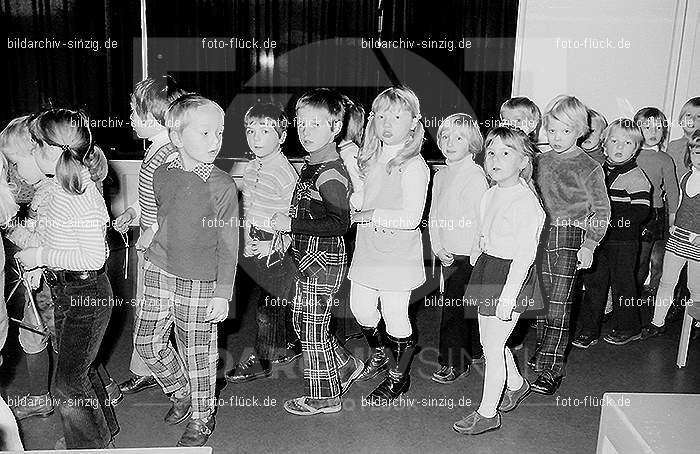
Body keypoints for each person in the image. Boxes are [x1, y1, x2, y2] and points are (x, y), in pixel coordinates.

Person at [133, 94, 238, 446]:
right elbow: (165, 215)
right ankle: (181, 390)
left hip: (199, 280)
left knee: (198, 353)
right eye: (205, 133)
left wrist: (223, 293)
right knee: (146, 343)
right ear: (176, 137)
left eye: (219, 132)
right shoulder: (162, 173)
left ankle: (202, 415)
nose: (215, 141)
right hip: (158, 268)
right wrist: (151, 235)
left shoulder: (222, 185)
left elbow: (229, 243)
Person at [15, 108, 118, 449]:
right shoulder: (57, 189)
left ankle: (88, 446)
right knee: (79, 371)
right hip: (67, 291)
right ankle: (100, 433)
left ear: (54, 151)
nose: (32, 152)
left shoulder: (80, 196)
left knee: (67, 381)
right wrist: (37, 262)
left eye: (36, 145)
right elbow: (54, 238)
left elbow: (94, 257)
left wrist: (41, 257)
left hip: (87, 292)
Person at [271, 88, 363, 416]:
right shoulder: (312, 164)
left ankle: (324, 396)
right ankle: (344, 364)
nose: (305, 131)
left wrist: (291, 224)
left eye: (315, 124)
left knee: (312, 330)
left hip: (323, 261)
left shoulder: (330, 172)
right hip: (306, 258)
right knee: (305, 323)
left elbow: (339, 223)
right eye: (301, 123)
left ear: (335, 127)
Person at [453, 126, 544, 435]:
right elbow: (483, 229)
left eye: (506, 153)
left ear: (524, 161)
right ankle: (516, 385)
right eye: (491, 152)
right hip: (489, 270)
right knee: (490, 341)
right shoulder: (491, 193)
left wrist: (508, 297)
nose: (495, 159)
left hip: (512, 277)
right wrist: (477, 249)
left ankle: (487, 413)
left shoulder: (527, 203)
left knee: (492, 348)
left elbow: (525, 255)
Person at [347, 86, 430, 404]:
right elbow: (364, 197)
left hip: (398, 255)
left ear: (413, 122)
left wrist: (370, 214)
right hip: (368, 249)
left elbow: (411, 218)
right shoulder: (371, 157)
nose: (387, 123)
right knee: (361, 309)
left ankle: (399, 377)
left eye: (397, 116)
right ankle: (381, 353)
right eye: (381, 116)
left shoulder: (414, 165)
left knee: (395, 315)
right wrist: (351, 199)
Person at [530, 96, 610, 395]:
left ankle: (552, 369)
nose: (556, 137)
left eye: (565, 131)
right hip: (540, 235)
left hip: (570, 237)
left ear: (580, 131)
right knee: (540, 302)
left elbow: (602, 210)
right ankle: (543, 354)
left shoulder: (589, 166)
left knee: (559, 306)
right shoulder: (541, 161)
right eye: (551, 130)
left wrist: (590, 244)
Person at [113, 75, 186, 395]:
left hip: (164, 245)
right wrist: (133, 213)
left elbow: (177, 205)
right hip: (150, 241)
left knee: (159, 311)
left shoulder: (170, 154)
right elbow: (150, 197)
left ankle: (174, 373)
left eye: (134, 111)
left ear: (154, 117)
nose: (129, 117)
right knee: (146, 307)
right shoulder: (155, 149)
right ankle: (146, 368)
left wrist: (152, 230)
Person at [225, 103, 301, 383]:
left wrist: (276, 245)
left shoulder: (284, 173)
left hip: (276, 246)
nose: (256, 138)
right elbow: (248, 207)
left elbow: (296, 218)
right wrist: (246, 238)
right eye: (250, 131)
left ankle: (262, 359)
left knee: (267, 307)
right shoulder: (251, 167)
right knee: (275, 301)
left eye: (265, 131)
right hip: (255, 241)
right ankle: (286, 345)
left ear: (282, 136)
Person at [574, 119, 651, 348]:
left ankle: (629, 327)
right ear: (604, 145)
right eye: (614, 141)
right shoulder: (597, 171)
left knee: (623, 285)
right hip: (598, 241)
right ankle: (589, 330)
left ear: (636, 149)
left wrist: (609, 221)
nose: (619, 147)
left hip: (624, 243)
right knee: (594, 285)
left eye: (627, 143)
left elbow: (642, 211)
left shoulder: (637, 177)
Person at [429, 113, 487, 384]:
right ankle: (474, 350)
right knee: (461, 307)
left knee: (455, 311)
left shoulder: (475, 176)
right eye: (445, 136)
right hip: (448, 254)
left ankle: (454, 362)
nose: (450, 143)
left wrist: (475, 254)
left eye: (459, 137)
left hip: (468, 256)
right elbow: (434, 215)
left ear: (472, 142)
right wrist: (437, 246)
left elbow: (481, 220)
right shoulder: (441, 175)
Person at [644, 130, 700, 338]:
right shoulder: (686, 177)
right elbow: (680, 204)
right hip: (679, 237)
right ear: (689, 154)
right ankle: (657, 322)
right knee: (667, 282)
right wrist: (673, 224)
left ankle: (696, 323)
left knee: (695, 287)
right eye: (696, 152)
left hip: (698, 242)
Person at [633, 107, 679, 301]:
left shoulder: (665, 159)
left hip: (654, 214)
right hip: (632, 213)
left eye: (658, 128)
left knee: (646, 258)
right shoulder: (630, 155)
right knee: (632, 257)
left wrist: (673, 216)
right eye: (647, 127)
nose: (653, 132)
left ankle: (638, 295)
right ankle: (627, 294)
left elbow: (673, 190)